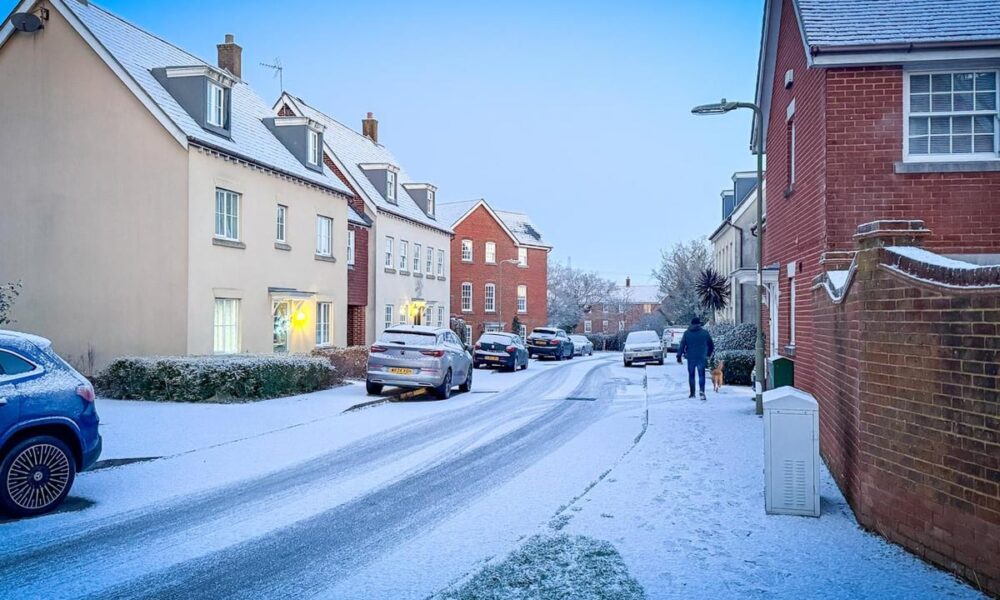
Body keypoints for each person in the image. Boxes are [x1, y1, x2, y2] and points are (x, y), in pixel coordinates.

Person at [677, 317, 714, 400]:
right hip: (701, 357)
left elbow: (682, 345)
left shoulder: (687, 333)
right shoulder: (705, 333)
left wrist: (679, 356)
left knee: (691, 375)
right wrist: (708, 354)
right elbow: (711, 344)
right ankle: (702, 392)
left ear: (691, 324)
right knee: (701, 375)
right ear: (699, 324)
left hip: (691, 357)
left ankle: (692, 393)